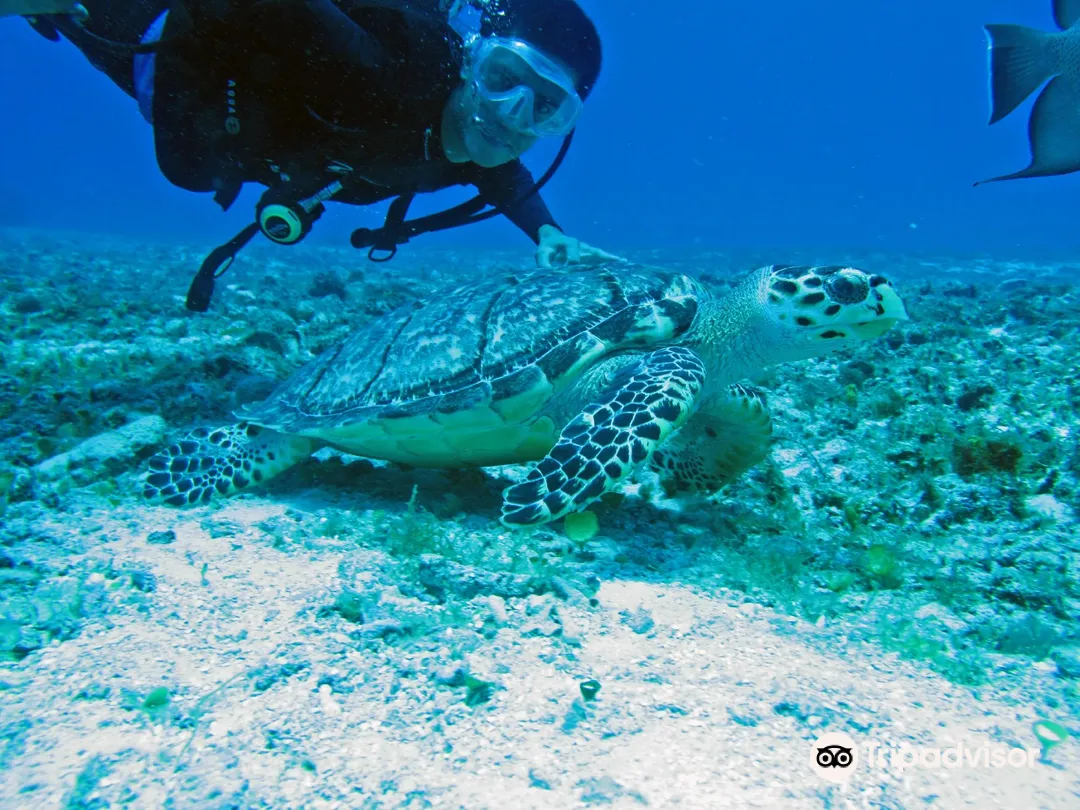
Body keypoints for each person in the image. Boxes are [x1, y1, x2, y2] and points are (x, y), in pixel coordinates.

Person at [7, 0, 617, 297]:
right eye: (504, 79)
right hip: (151, 31)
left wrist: (548, 234)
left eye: (544, 107)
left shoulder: (474, 147)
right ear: (468, 62)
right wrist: (197, 145)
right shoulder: (384, 65)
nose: (510, 115)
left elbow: (499, 175)